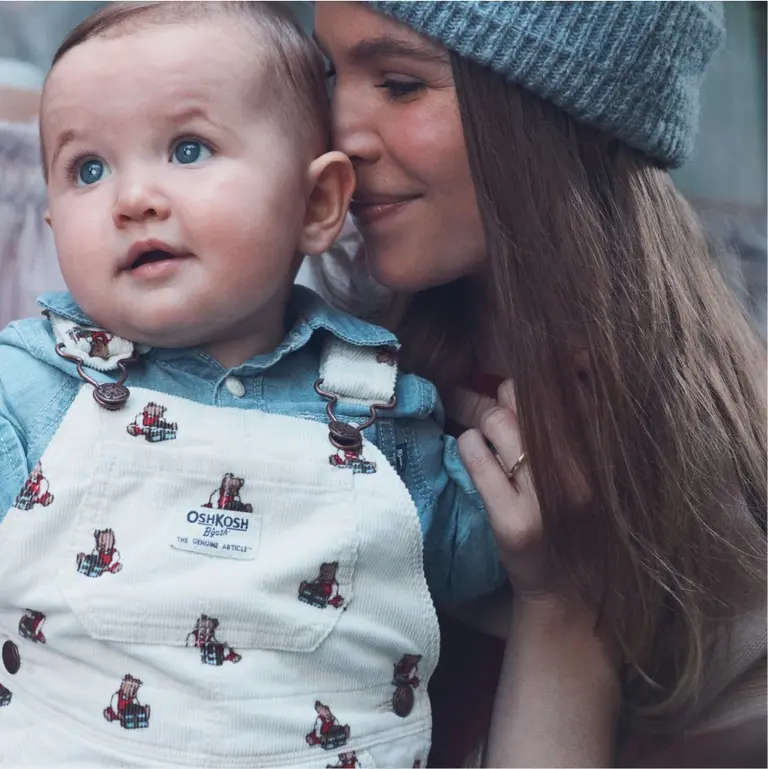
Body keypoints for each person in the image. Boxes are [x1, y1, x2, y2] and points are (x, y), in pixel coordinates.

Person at [0, 3, 508, 766]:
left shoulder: (383, 410)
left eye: (189, 148)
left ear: (316, 204)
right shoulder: (28, 390)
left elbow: (472, 558)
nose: (131, 198)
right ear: (51, 224)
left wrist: (562, 458)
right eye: (89, 169)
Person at [313, 2, 767, 766]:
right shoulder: (313, 342)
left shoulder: (714, 490)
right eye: (331, 72)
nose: (339, 133)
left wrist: (566, 596)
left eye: (398, 83)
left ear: (552, 107)